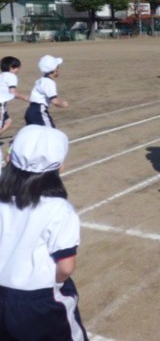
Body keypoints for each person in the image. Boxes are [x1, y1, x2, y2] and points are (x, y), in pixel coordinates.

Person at [0, 125, 88, 341]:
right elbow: (66, 267)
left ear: (9, 159)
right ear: (60, 167)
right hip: (40, 299)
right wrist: (55, 283)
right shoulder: (59, 209)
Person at [25, 55, 69, 128]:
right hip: (39, 111)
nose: (58, 69)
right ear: (54, 70)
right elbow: (55, 101)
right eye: (57, 67)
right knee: (51, 132)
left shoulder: (41, 80)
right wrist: (63, 104)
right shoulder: (49, 82)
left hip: (30, 111)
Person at [0, 56, 29, 138]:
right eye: (18, 68)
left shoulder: (1, 75)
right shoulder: (11, 76)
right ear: (11, 67)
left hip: (2, 103)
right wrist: (27, 98)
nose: (18, 70)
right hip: (0, 103)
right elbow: (13, 93)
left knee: (8, 122)